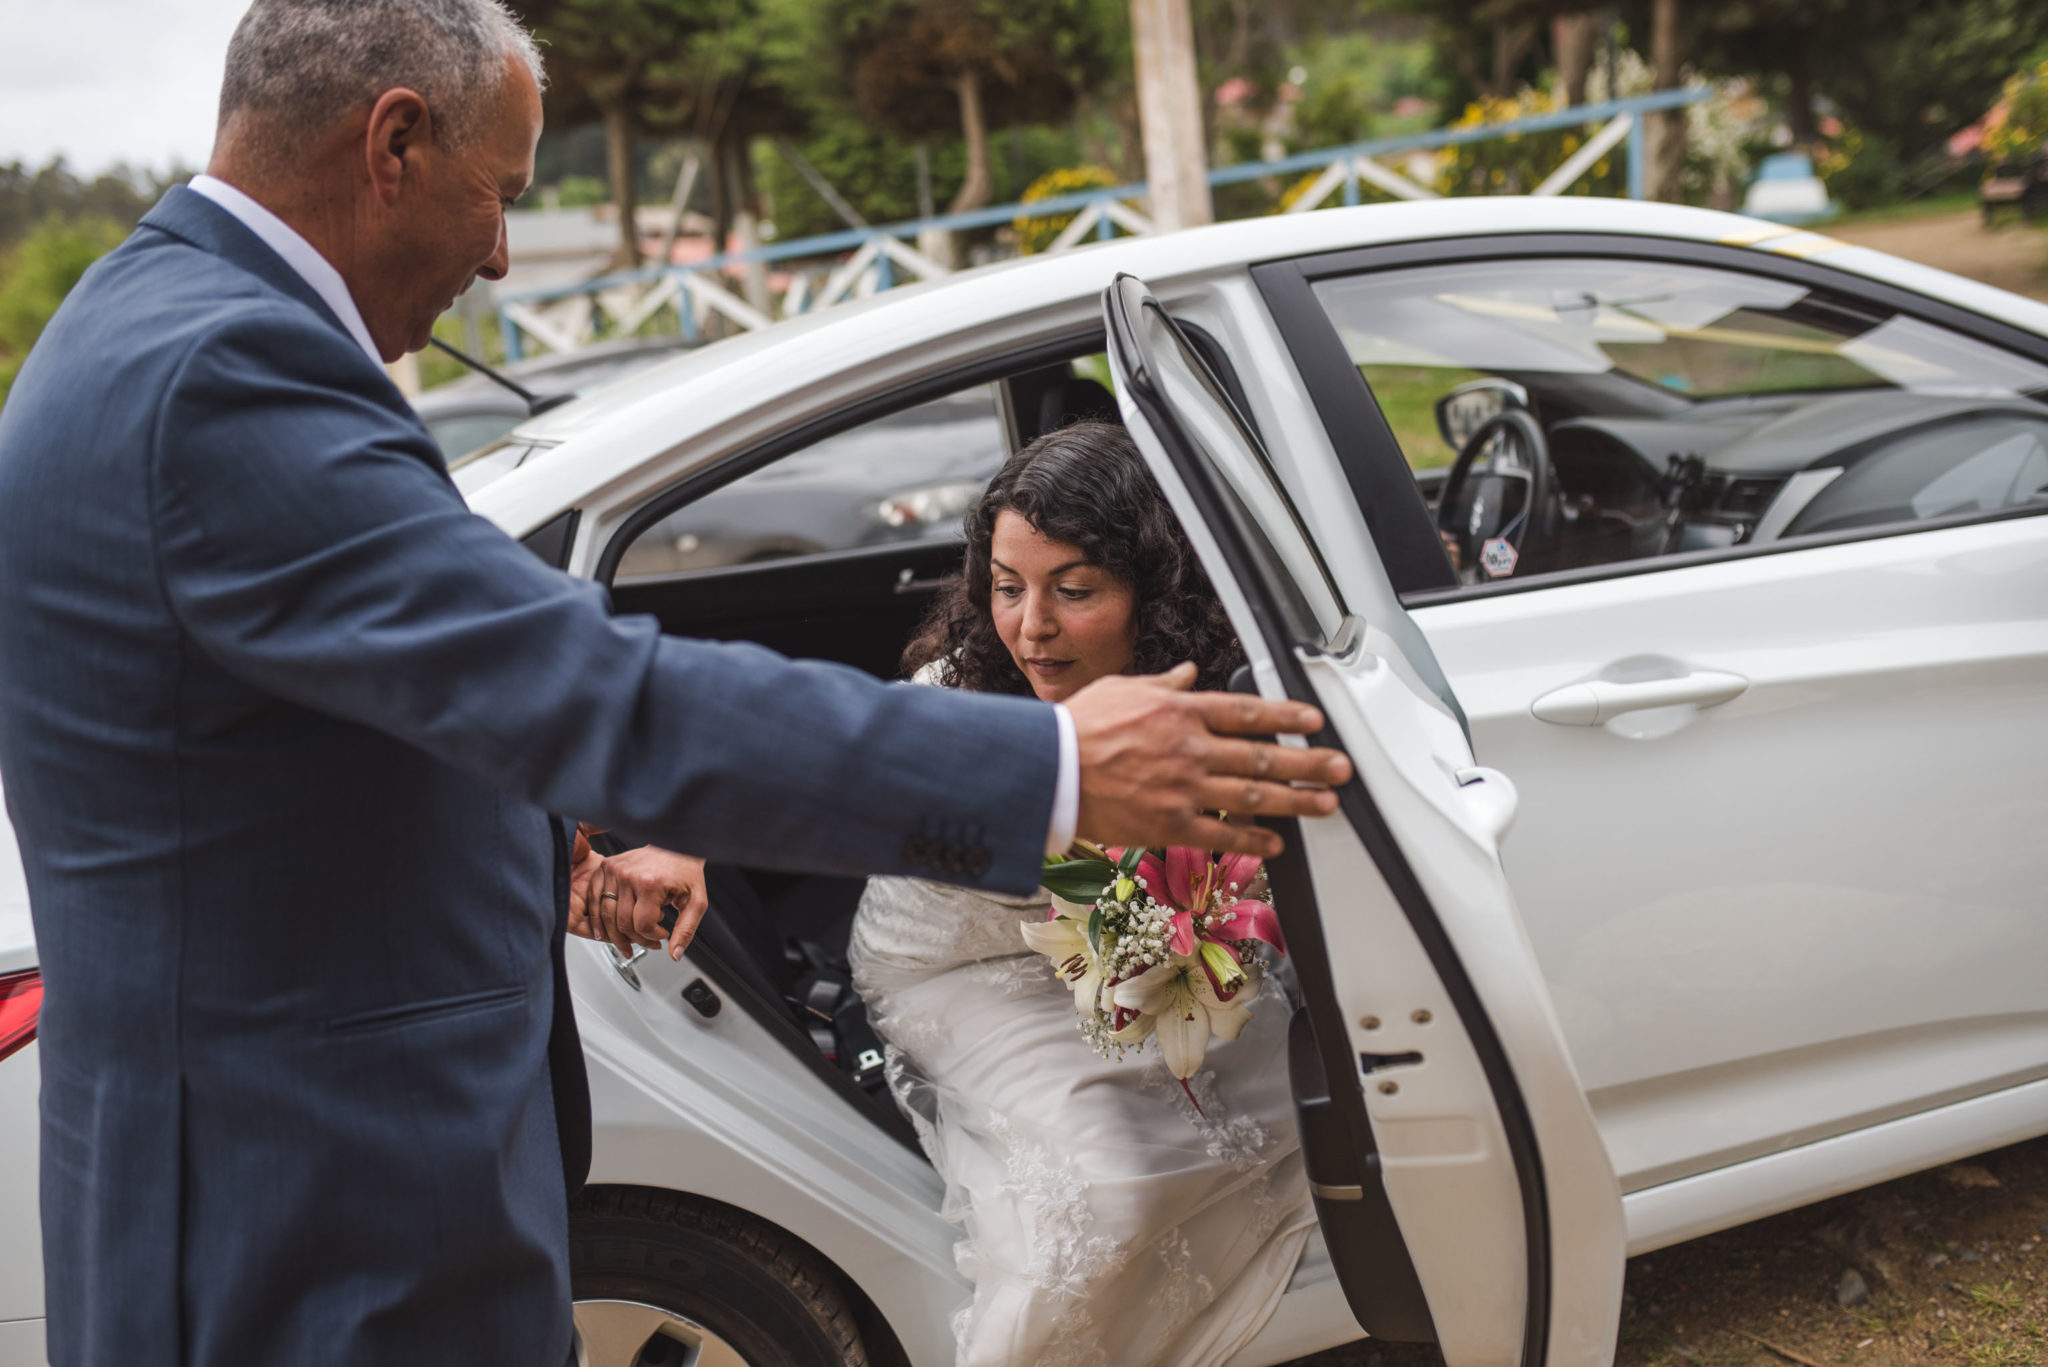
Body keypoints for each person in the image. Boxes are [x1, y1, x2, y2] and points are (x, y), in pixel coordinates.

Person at [0, 4, 1351, 1366]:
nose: (501, 251)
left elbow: (338, 713)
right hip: (308, 1236)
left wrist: (544, 829)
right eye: (502, 195)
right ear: (394, 141)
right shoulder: (220, 375)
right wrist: (1050, 772)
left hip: (300, 1198)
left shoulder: (157, 327)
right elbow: (578, 684)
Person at [849, 423, 1316, 1367]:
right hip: (957, 966)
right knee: (1110, 1191)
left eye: (1074, 590)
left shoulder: (1207, 701)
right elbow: (835, 779)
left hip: (1125, 959)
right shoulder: (957, 696)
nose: (1031, 628)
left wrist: (1178, 939)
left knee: (1293, 1101)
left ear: (1153, 589)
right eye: (1008, 586)